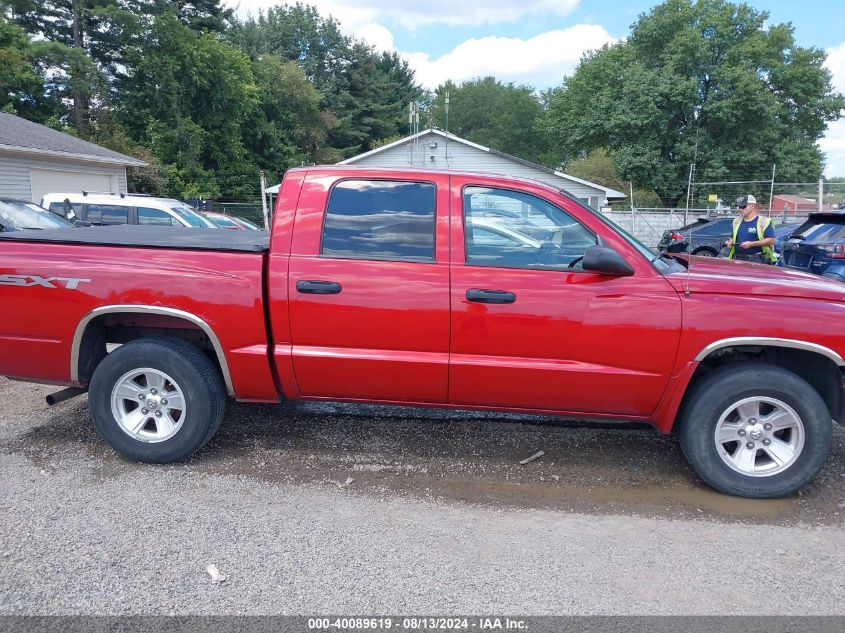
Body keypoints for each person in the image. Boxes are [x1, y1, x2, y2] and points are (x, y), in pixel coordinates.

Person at [725, 194, 776, 264]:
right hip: (737, 259)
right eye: (739, 207)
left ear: (753, 206)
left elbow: (771, 240)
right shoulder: (736, 221)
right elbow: (732, 238)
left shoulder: (764, 221)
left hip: (756, 261)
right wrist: (729, 242)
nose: (740, 209)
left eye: (743, 206)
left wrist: (751, 244)